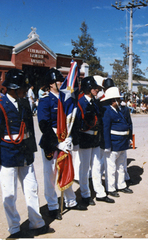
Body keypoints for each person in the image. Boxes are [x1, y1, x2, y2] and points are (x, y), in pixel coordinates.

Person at [0, 69, 50, 238]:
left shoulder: (24, 102)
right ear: (13, 88)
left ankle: (37, 222)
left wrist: (32, 151)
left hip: (25, 152)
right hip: (7, 153)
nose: (24, 90)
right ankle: (14, 228)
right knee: (10, 193)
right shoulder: (1, 104)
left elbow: (29, 128)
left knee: (32, 188)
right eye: (22, 87)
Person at [37, 68, 87, 221]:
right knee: (50, 174)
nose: (61, 83)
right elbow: (43, 124)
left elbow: (71, 121)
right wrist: (57, 144)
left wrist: (69, 138)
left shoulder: (66, 99)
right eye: (58, 81)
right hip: (52, 140)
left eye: (61, 80)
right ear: (50, 84)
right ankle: (52, 205)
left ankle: (70, 201)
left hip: (65, 137)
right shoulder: (45, 100)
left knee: (67, 169)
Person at [77, 76, 114, 205]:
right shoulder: (81, 102)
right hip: (85, 137)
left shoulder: (94, 102)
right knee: (85, 168)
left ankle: (100, 192)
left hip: (95, 138)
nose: (97, 90)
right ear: (88, 88)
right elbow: (78, 122)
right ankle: (85, 194)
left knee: (97, 167)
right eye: (94, 88)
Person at [100, 86, 133, 196]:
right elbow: (105, 129)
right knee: (111, 167)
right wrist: (107, 145)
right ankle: (111, 188)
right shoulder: (107, 111)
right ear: (113, 100)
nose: (120, 101)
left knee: (121, 166)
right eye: (118, 99)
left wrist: (128, 140)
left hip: (122, 143)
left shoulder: (119, 110)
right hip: (113, 144)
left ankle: (121, 185)